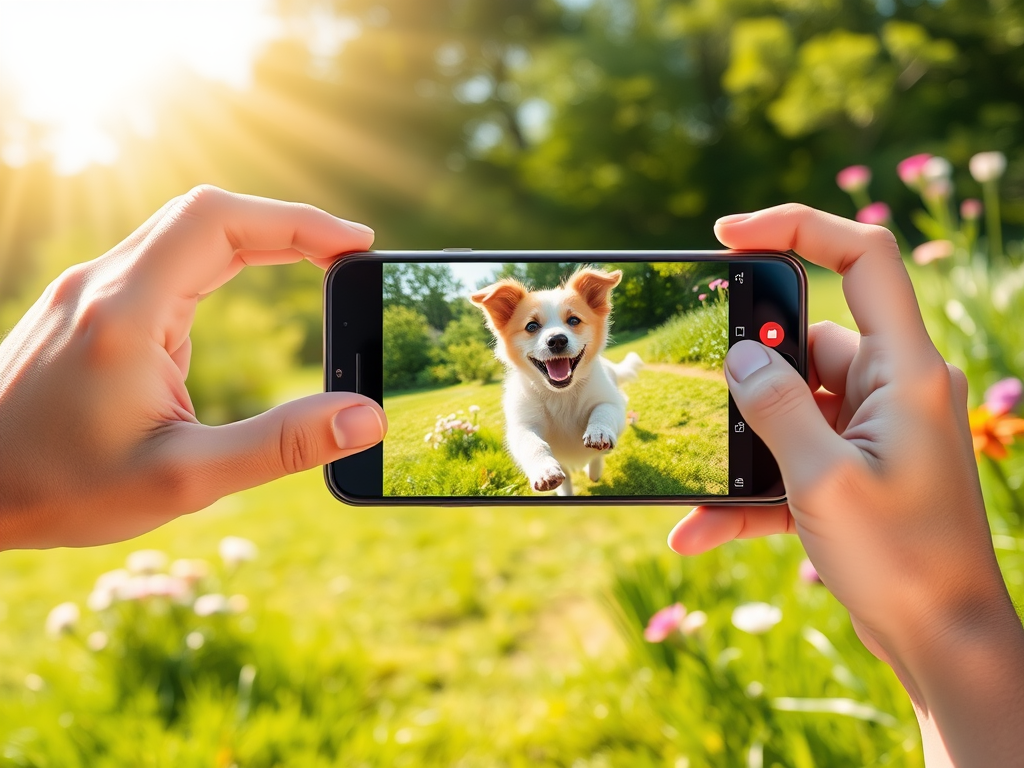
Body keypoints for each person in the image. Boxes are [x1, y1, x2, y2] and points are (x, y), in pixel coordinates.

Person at [0, 189, 1021, 765]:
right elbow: (530, 434)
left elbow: (609, 406)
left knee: (599, 424)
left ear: (595, 317)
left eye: (572, 320)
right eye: (534, 325)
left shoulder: (600, 361)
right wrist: (949, 628)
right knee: (537, 447)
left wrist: (941, 628)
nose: (558, 335)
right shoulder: (522, 376)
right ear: (504, 327)